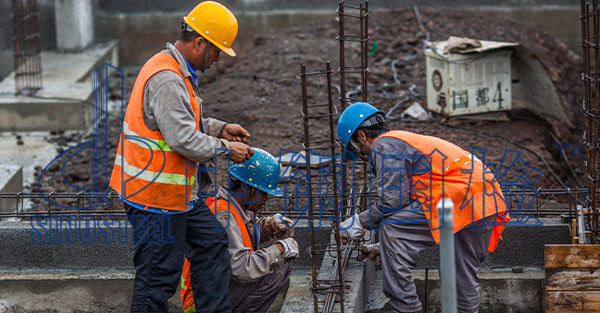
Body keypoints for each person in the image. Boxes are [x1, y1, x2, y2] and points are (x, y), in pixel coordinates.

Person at [108, 1, 255, 312]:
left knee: (212, 244)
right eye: (216, 51)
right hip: (154, 199)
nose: (217, 59)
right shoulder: (167, 79)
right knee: (157, 278)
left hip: (177, 196)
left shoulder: (177, 71)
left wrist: (221, 128)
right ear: (199, 42)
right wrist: (228, 149)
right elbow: (184, 139)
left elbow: (182, 122)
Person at [336, 102, 511, 313]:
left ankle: (404, 307)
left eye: (359, 151)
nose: (363, 157)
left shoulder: (384, 145)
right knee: (459, 268)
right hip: (484, 198)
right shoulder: (405, 140)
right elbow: (408, 198)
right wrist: (388, 249)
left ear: (362, 136)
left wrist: (359, 223)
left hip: (458, 196)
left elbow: (393, 201)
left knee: (393, 228)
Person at [180, 148, 298, 313]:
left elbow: (245, 232)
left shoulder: (236, 207)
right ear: (245, 187)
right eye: (263, 193)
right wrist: (279, 248)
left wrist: (270, 227)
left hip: (214, 287)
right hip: (201, 301)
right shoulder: (224, 215)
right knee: (275, 272)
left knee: (276, 266)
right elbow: (243, 269)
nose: (266, 199)